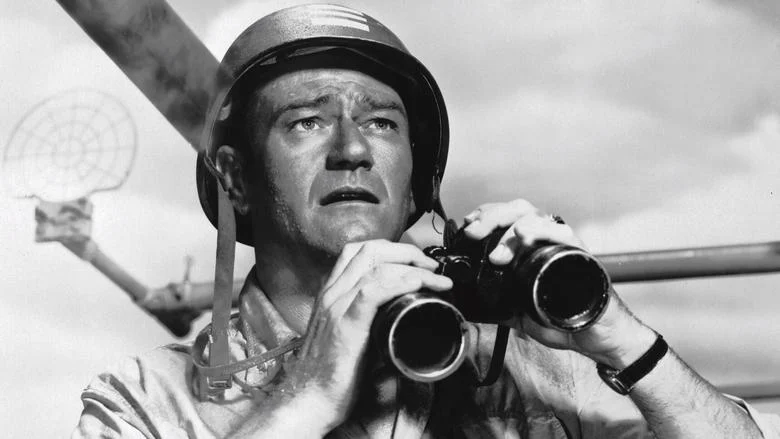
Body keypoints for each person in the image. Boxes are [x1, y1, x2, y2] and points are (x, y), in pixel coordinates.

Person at [74, 4, 780, 438]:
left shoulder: (531, 373)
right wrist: (309, 394)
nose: (352, 149)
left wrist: (618, 336)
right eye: (306, 121)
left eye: (381, 123)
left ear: (418, 178)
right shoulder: (143, 399)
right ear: (235, 177)